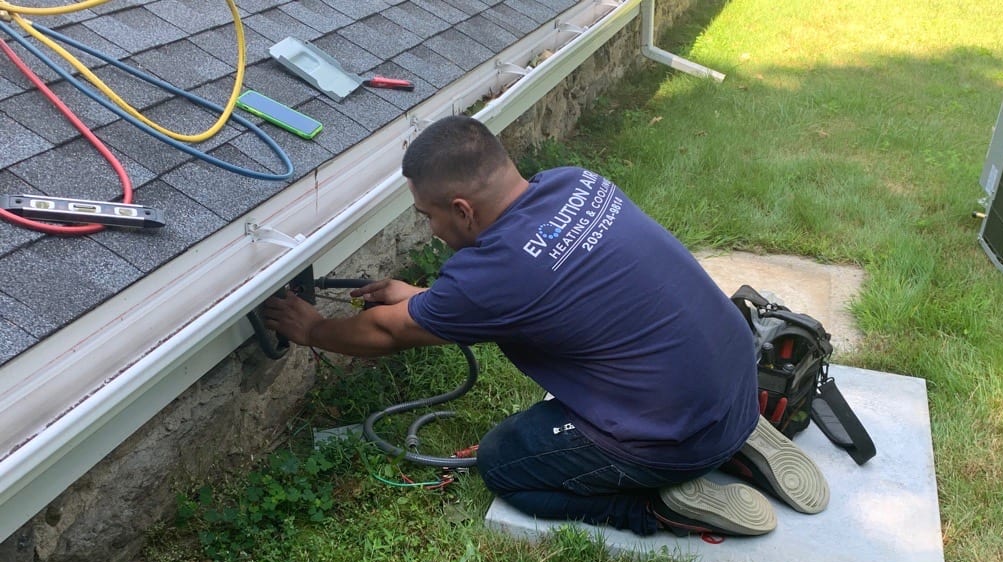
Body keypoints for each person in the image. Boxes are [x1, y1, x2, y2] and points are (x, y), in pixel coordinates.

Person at [263, 115, 828, 537]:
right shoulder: (574, 182)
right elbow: (536, 274)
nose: (430, 229)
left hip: (670, 430)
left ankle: (655, 506)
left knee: (505, 462)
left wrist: (312, 329)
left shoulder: (492, 277)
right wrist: (423, 297)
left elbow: (387, 333)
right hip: (733, 375)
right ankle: (736, 435)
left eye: (428, 215)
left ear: (461, 209)